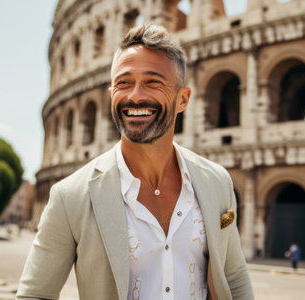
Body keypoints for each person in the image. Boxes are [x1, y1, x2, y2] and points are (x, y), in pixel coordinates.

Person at [17, 24, 254, 300]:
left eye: (153, 82)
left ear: (183, 99)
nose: (135, 95)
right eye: (124, 82)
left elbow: (234, 276)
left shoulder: (218, 182)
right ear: (110, 95)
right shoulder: (70, 197)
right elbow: (35, 294)